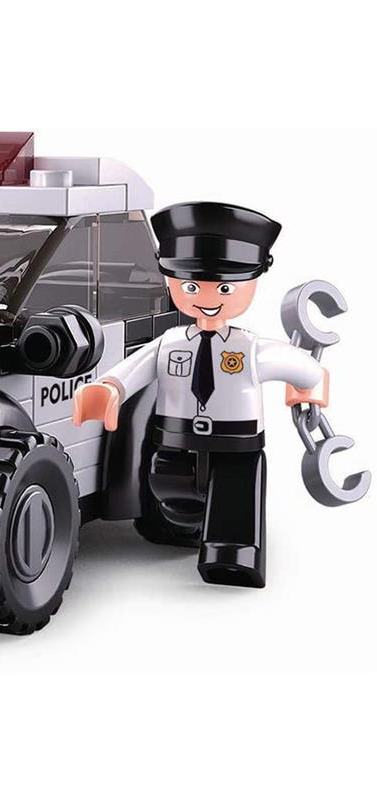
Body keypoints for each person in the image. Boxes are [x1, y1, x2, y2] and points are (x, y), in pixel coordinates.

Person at [73, 202, 328, 588]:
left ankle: (233, 557)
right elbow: (135, 367)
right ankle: (181, 524)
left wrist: (309, 388)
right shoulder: (170, 342)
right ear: (171, 281)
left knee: (235, 502)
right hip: (174, 440)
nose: (207, 297)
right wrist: (110, 388)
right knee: (169, 491)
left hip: (235, 443)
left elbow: (303, 367)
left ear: (253, 281)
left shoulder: (249, 348)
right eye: (191, 286)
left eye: (224, 287)